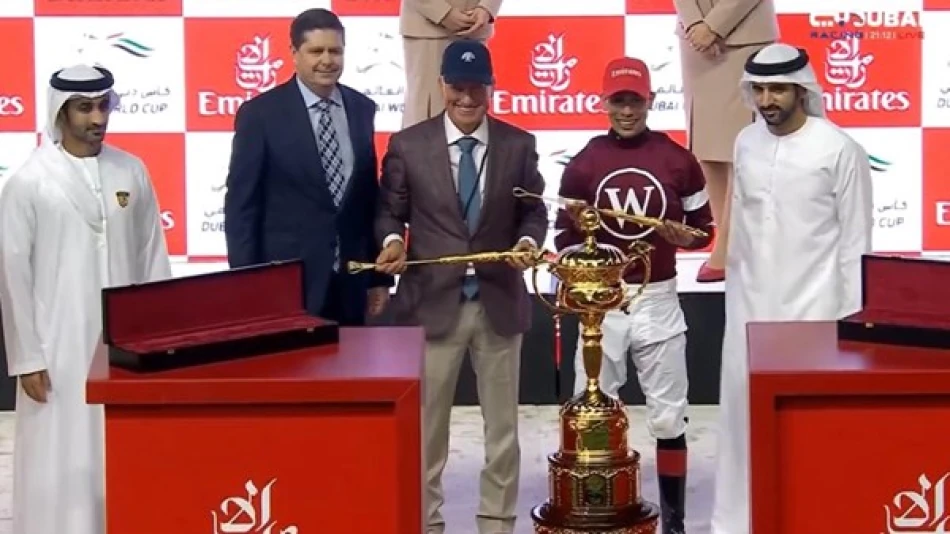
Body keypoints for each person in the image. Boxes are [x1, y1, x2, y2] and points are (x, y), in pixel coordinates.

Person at [374, 40, 547, 534]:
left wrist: (528, 241)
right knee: (427, 431)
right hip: (431, 304)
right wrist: (391, 241)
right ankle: (426, 523)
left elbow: (533, 211)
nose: (467, 98)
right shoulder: (409, 145)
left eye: (477, 87)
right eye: (458, 87)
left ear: (491, 87)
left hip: (499, 303)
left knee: (503, 431)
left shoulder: (518, 144)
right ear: (442, 85)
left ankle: (497, 522)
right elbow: (390, 211)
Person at [0, 64, 172, 534]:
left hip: (125, 347)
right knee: (61, 452)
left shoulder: (130, 169)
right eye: (84, 108)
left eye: (103, 106)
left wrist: (162, 341)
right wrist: (27, 358)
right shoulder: (29, 182)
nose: (98, 118)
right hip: (56, 349)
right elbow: (13, 276)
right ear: (60, 112)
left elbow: (152, 258)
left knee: (122, 448)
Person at [710, 43, 873, 534]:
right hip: (748, 311)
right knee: (742, 419)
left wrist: (852, 323)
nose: (767, 100)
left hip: (815, 312)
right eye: (759, 89)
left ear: (801, 89)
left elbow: (856, 244)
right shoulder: (745, 142)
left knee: (809, 426)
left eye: (778, 89)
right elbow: (741, 229)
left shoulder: (839, 149)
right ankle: (739, 522)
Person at [554, 57, 715, 534]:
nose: (627, 110)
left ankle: (674, 522)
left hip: (659, 297)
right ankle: (601, 510)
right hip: (601, 303)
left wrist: (686, 237)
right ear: (604, 103)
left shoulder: (679, 160)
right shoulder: (583, 165)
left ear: (651, 101)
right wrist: (586, 267)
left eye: (636, 101)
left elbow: (704, 230)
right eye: (618, 101)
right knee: (594, 409)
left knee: (668, 417)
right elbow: (564, 238)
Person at [224, 8, 392, 324]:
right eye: (316, 51)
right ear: (294, 53)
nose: (327, 60)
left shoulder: (362, 108)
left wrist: (378, 277)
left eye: (335, 51)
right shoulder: (260, 115)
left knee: (350, 358)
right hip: (285, 286)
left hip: (351, 284)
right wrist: (246, 285)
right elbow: (241, 208)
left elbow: (368, 200)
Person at [673, 0, 777, 282]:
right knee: (707, 145)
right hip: (695, 38)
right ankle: (728, 239)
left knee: (741, 146)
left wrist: (714, 26)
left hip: (746, 34)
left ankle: (730, 246)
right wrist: (694, 23)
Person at [400, 0, 503, 128]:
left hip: (475, 25)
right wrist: (442, 11)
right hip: (429, 26)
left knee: (473, 106)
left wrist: (487, 7)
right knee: (426, 116)